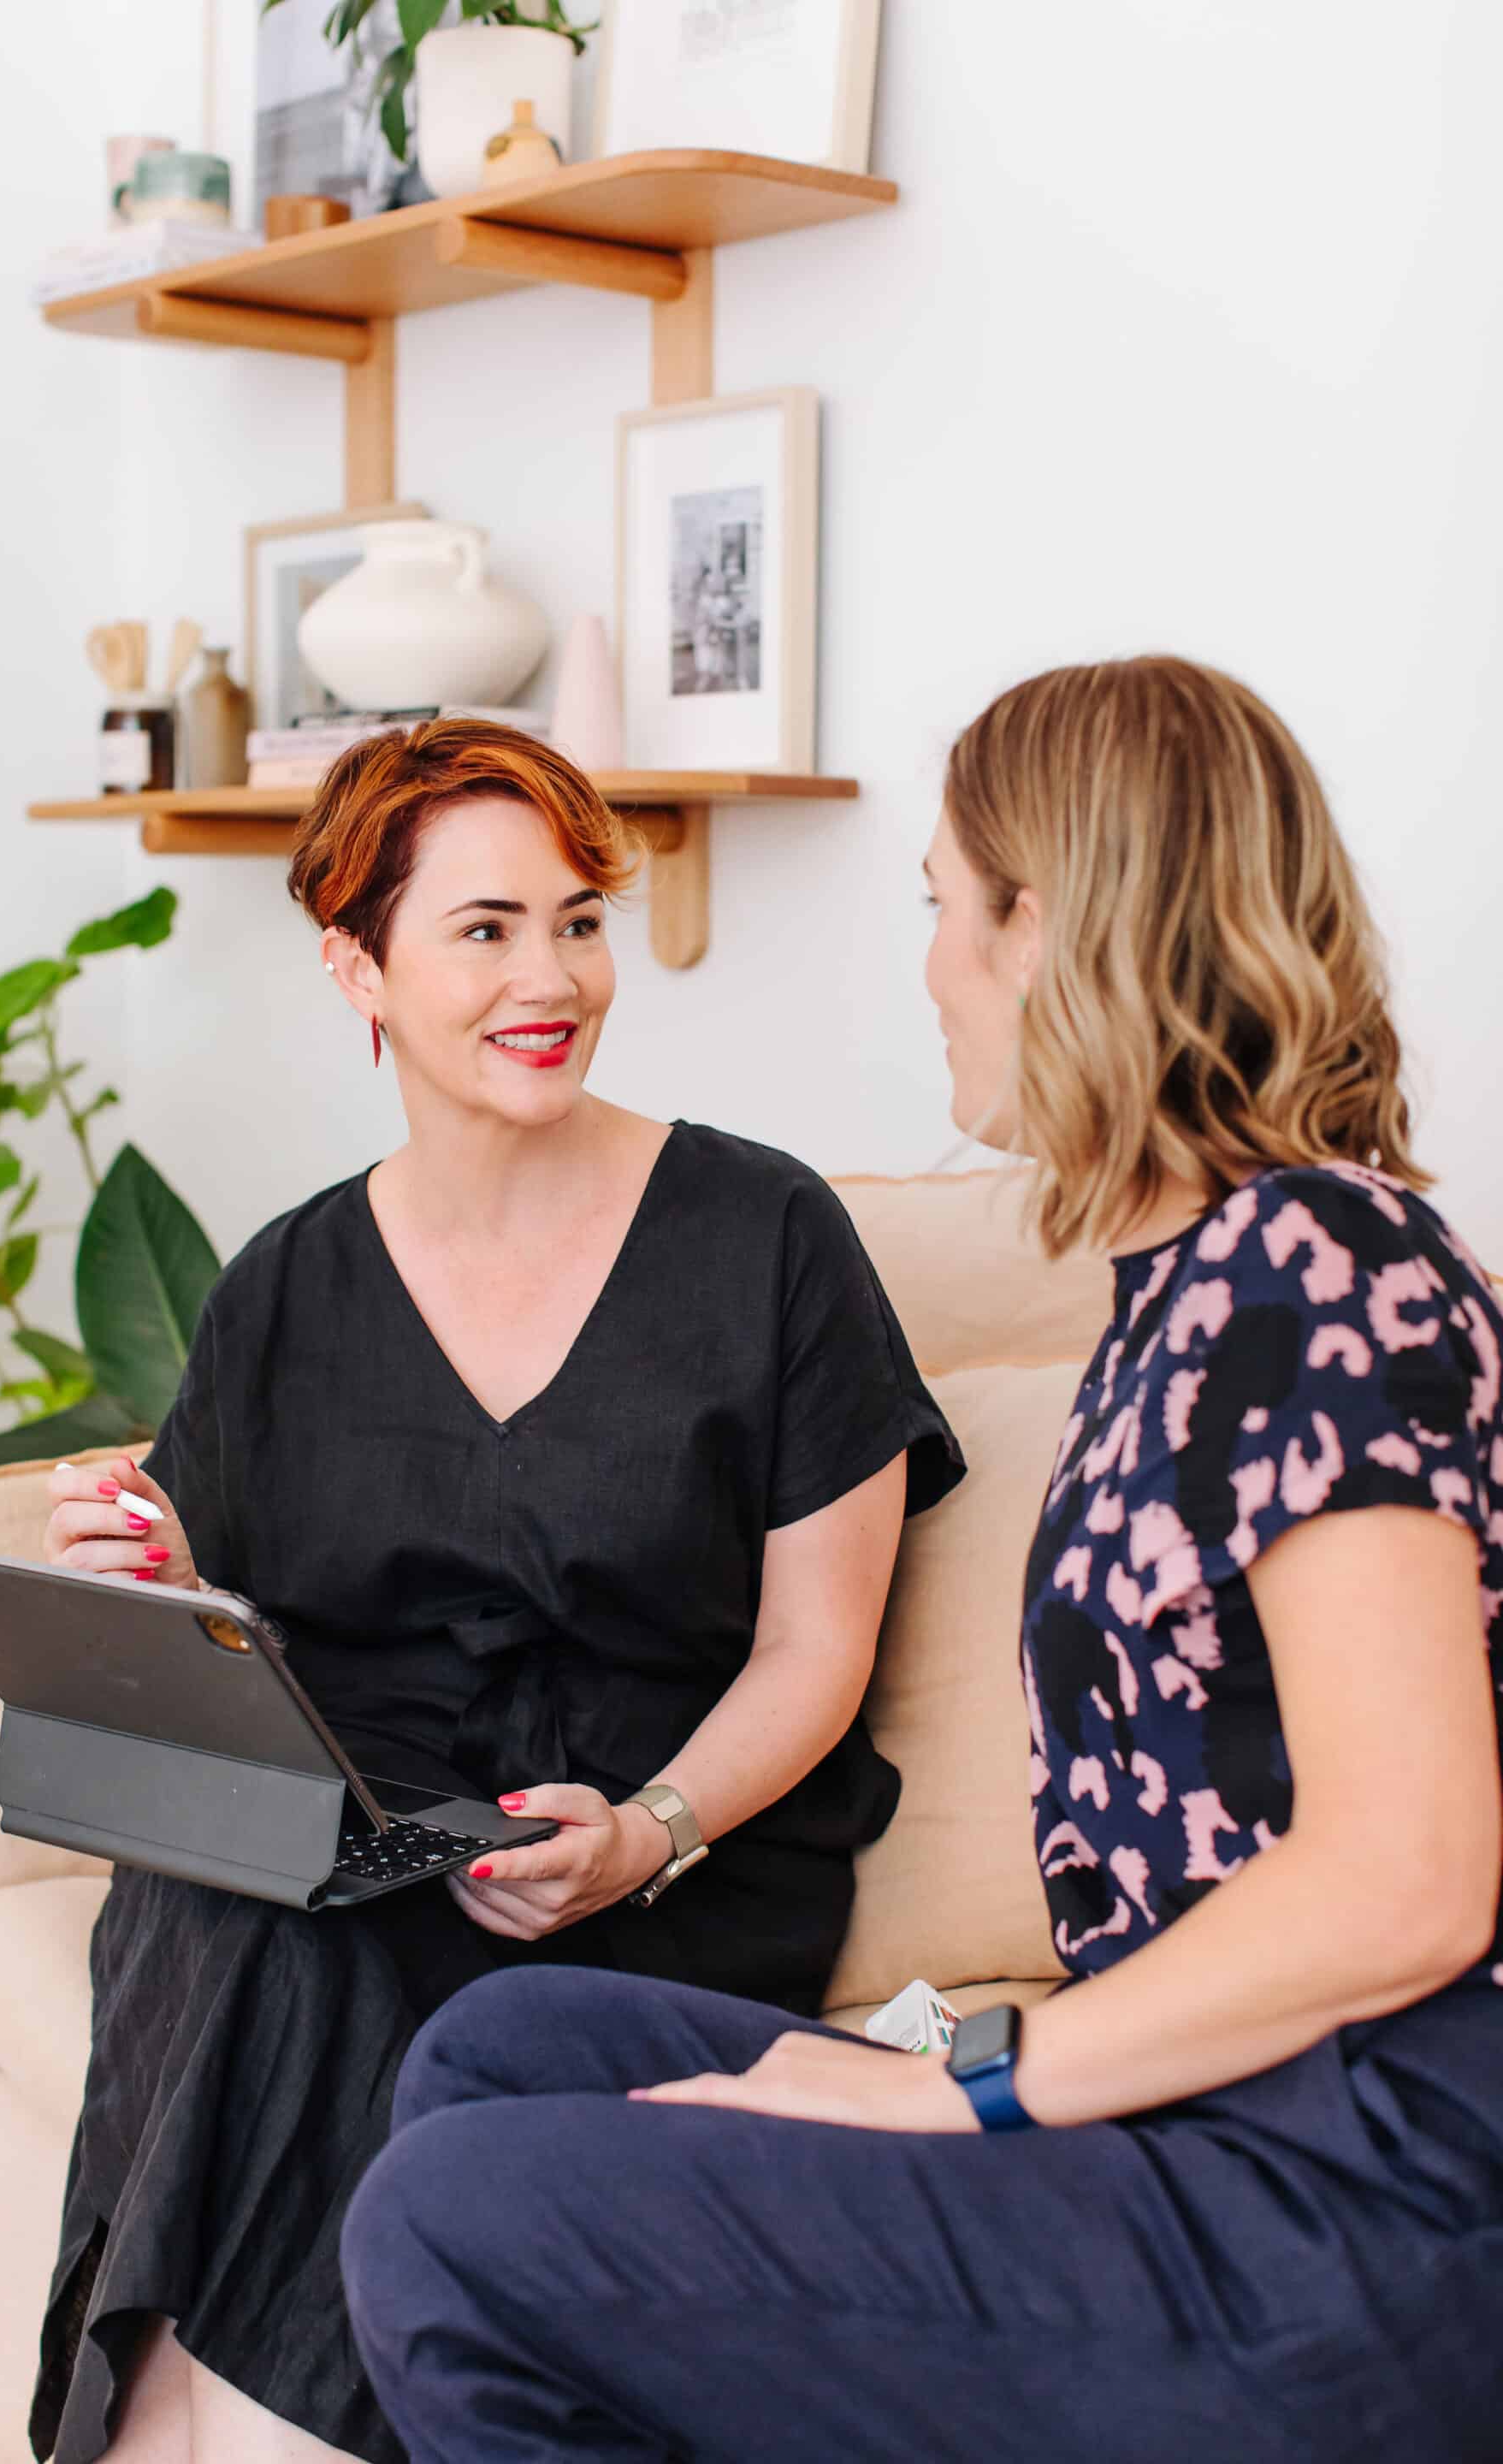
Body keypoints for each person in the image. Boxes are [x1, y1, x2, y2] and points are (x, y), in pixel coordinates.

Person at [341, 659, 1503, 2464]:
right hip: (1209, 2124)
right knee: (508, 2057)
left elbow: (1411, 1881)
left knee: (450, 2219)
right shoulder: (1186, 1292)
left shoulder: (1321, 1270)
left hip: (1355, 2198)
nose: (934, 964)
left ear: (1052, 930)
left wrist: (971, 2095)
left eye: (946, 905)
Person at [32, 720, 962, 2464]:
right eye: (484, 929)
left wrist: (649, 1826)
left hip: (655, 1876)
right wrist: (146, 1569)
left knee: (274, 1958)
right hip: (361, 1847)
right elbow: (215, 1616)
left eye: (579, 920)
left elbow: (818, 1652)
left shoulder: (767, 1240)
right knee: (234, 1902)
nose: (554, 977)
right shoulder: (282, 1290)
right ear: (355, 967)